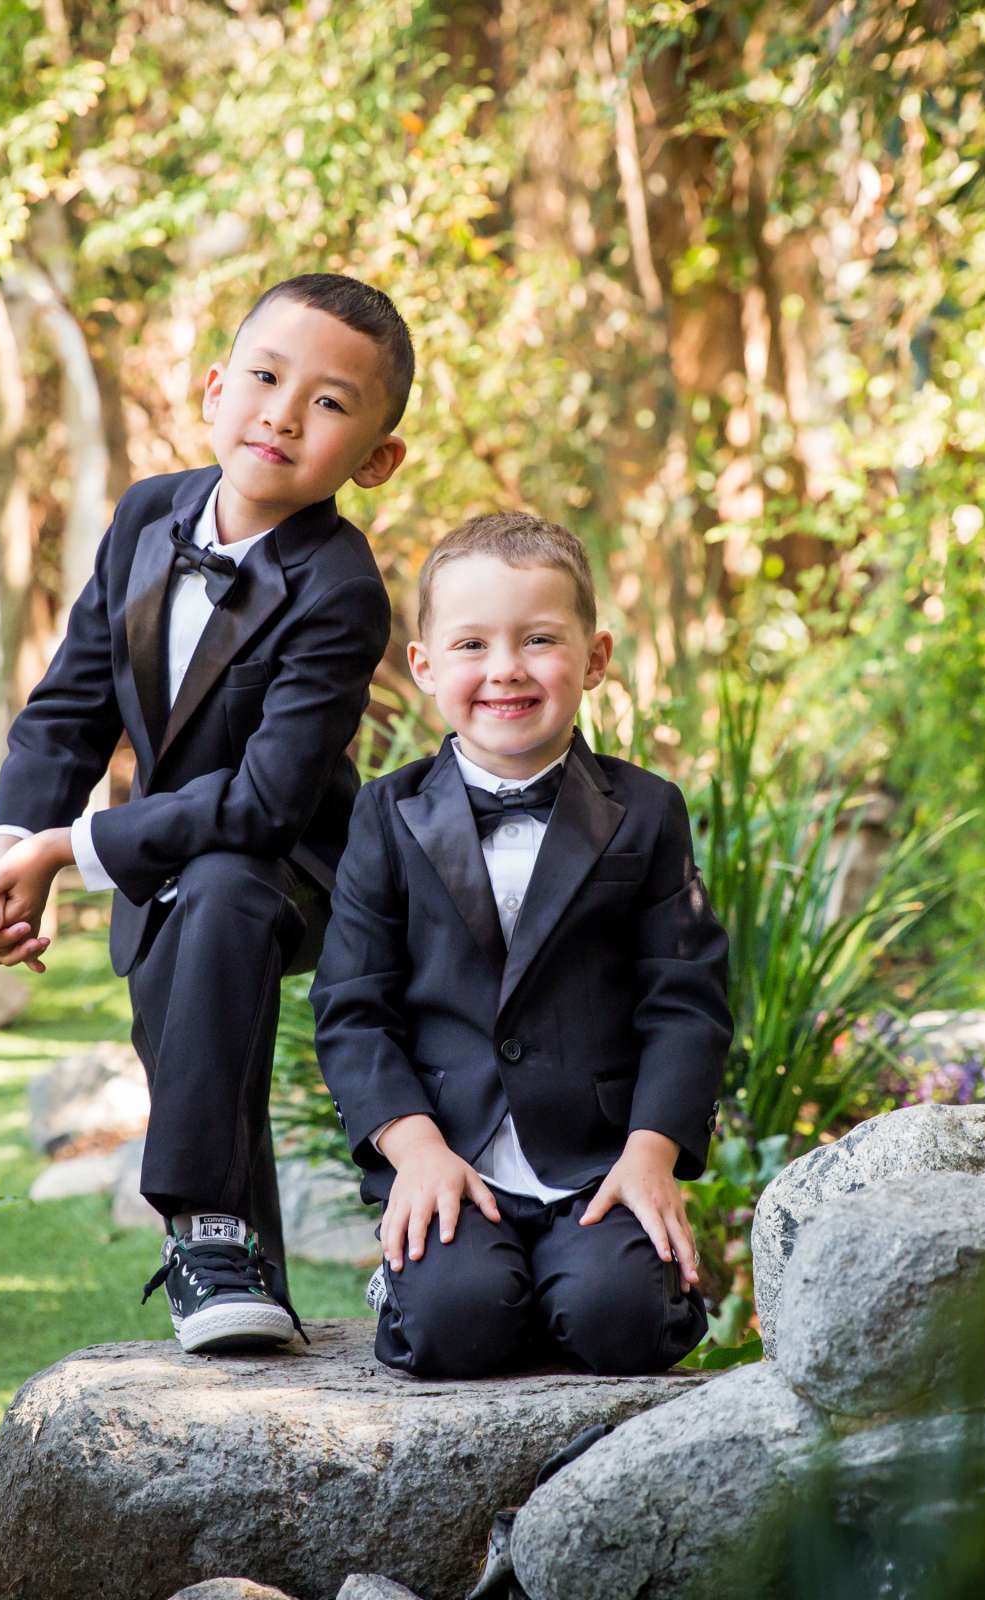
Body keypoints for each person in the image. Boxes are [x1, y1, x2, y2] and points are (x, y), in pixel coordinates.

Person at [0, 274, 412, 1354]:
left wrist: (80, 848)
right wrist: (17, 847)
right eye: (264, 376)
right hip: (169, 860)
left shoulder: (340, 585)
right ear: (213, 387)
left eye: (331, 403)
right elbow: (69, 705)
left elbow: (262, 802)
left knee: (217, 892)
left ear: (377, 460)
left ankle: (216, 1226)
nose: (285, 412)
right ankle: (238, 1270)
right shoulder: (144, 515)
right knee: (188, 999)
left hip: (292, 865)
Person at [311, 511, 729, 1378]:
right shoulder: (386, 816)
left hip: (597, 1166)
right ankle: (429, 1284)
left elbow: (684, 999)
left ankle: (601, 1284)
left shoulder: (646, 813)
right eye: (471, 645)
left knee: (619, 1325)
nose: (504, 669)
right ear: (424, 666)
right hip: (449, 1159)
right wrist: (415, 1148)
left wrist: (651, 1154)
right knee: (457, 1327)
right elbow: (352, 1008)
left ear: (596, 658)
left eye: (538, 639)